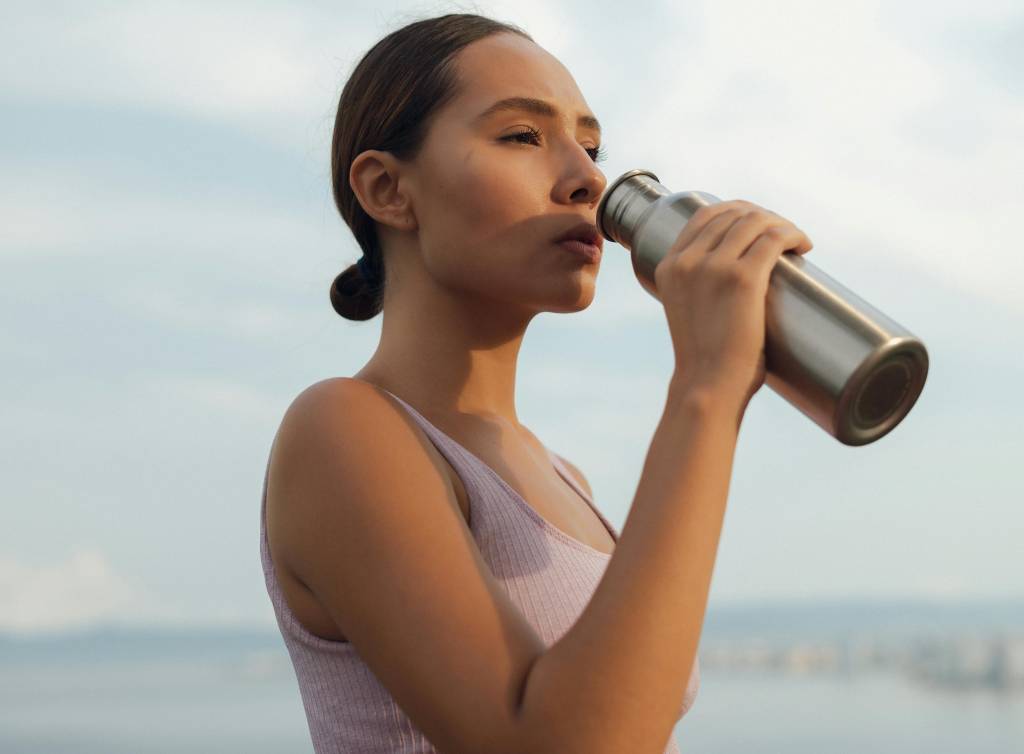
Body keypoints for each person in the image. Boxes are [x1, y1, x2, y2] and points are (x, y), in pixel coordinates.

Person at [259, 11, 814, 754]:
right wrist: (707, 390)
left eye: (590, 147)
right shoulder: (342, 432)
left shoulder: (563, 477)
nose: (588, 179)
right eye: (523, 136)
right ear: (388, 189)